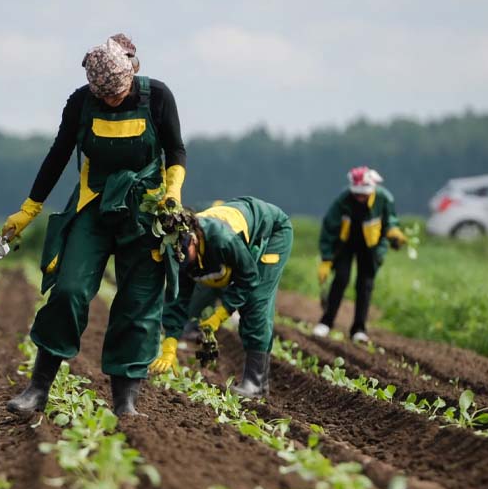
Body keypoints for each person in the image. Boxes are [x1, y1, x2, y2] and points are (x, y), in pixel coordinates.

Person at [2, 34, 186, 417]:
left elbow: (176, 149)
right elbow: (59, 154)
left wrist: (173, 194)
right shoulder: (81, 102)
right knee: (69, 291)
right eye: (104, 98)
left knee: (137, 304)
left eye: (117, 96)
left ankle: (125, 402)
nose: (111, 102)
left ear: (131, 73)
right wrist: (29, 209)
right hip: (93, 204)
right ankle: (38, 388)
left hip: (146, 211)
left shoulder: (159, 97)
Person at [150, 197, 293, 398]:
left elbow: (248, 278)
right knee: (208, 292)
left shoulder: (222, 240)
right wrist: (170, 343)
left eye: (183, 253)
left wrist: (220, 315)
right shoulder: (180, 250)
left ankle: (255, 382)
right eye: (174, 255)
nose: (179, 258)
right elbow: (178, 298)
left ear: (193, 239)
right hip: (240, 233)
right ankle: (257, 382)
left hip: (272, 231)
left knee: (256, 302)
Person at [315, 166, 406, 342]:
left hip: (370, 247)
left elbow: (391, 221)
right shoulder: (343, 200)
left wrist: (394, 232)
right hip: (345, 245)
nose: (359, 197)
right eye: (356, 194)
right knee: (341, 278)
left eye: (363, 194)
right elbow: (329, 228)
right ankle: (326, 323)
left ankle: (359, 329)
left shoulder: (383, 198)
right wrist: (326, 259)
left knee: (365, 285)